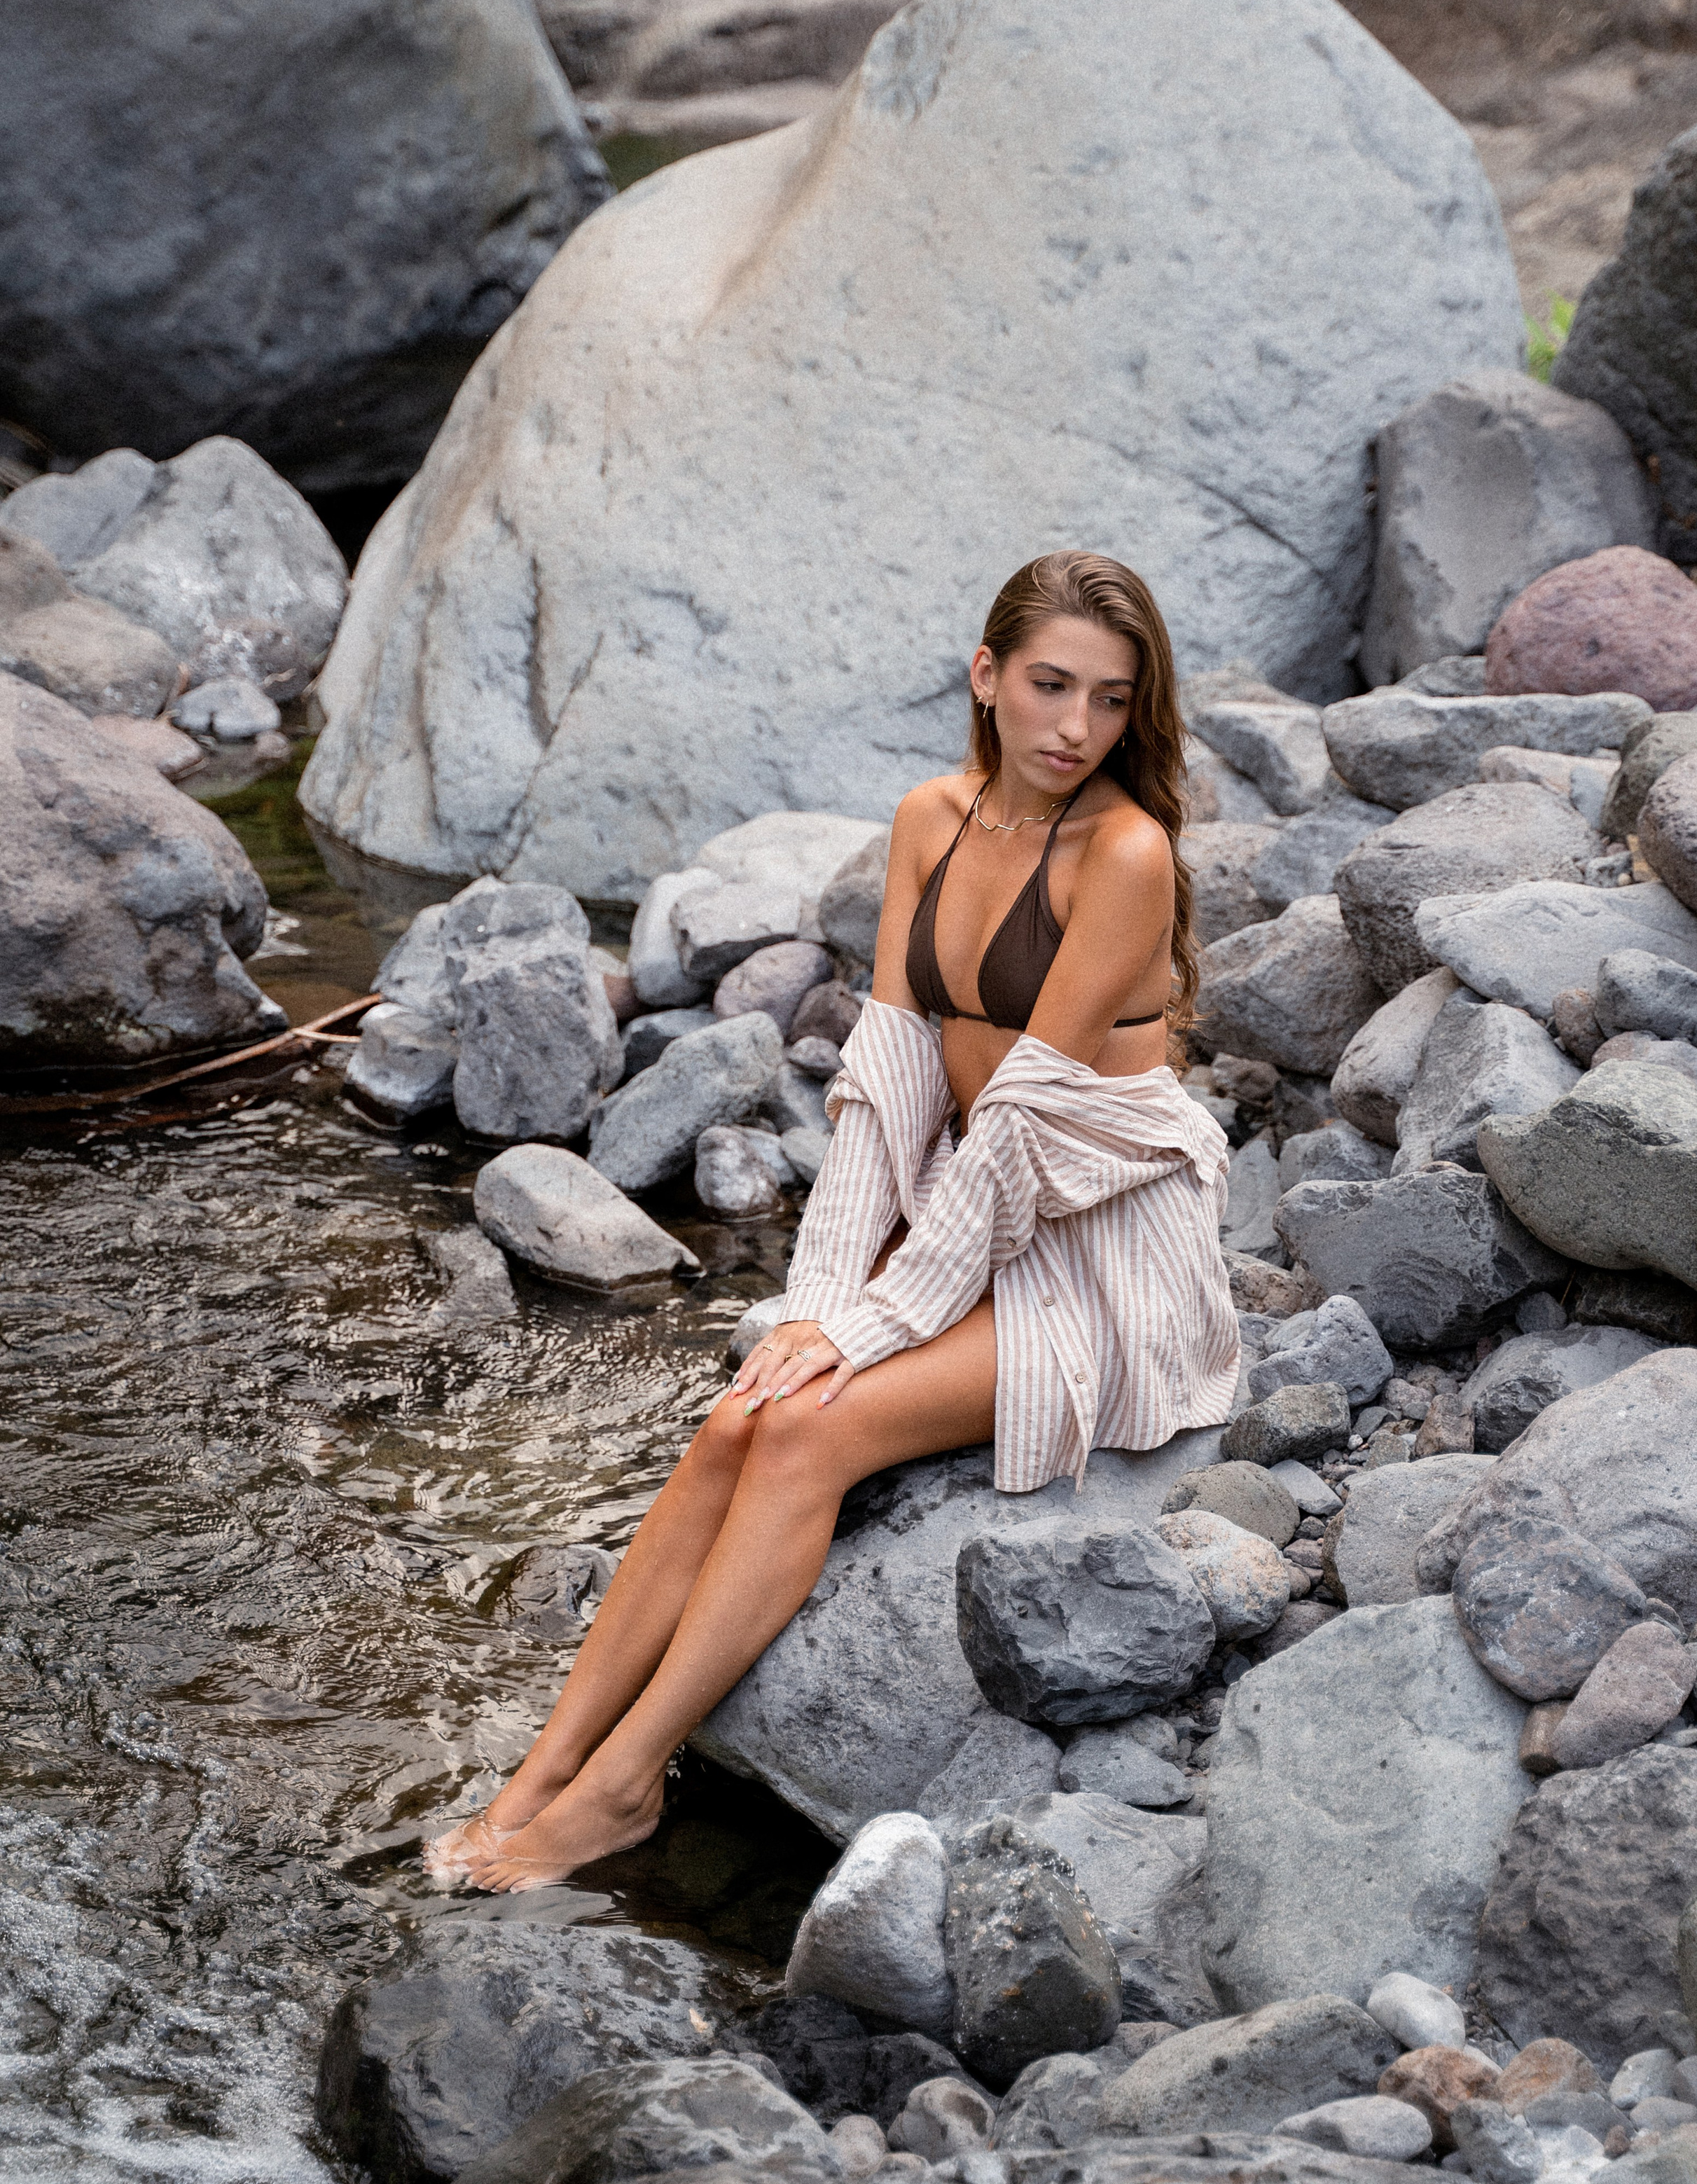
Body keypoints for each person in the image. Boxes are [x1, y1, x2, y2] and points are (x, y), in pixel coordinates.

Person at [429, 550, 1240, 1893]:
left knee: (818, 1424)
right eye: (1047, 686)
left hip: (1104, 1259)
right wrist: (811, 1308)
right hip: (978, 1220)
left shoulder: (1130, 853)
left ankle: (625, 1791)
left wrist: (872, 1326)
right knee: (745, 1407)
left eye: (1107, 700)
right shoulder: (932, 819)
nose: (1073, 728)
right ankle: (543, 1770)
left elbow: (1024, 1124)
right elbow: (888, 1092)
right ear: (987, 677)